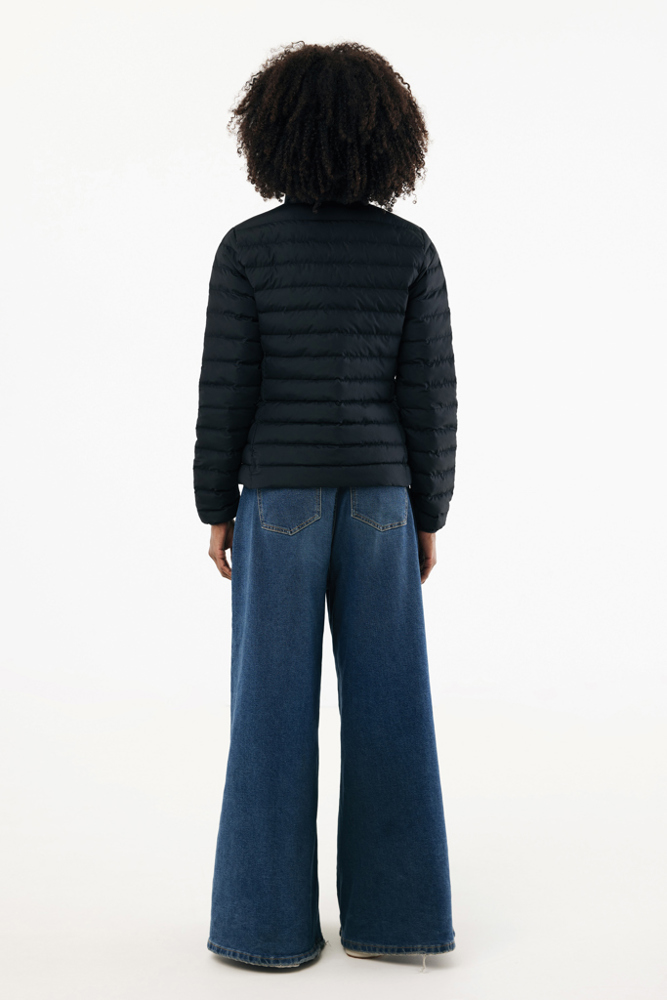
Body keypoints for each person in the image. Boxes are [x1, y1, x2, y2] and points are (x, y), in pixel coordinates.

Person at [193, 40, 457, 970]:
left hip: (276, 502)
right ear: (388, 139)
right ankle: (401, 922)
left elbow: (226, 388)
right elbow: (430, 396)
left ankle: (262, 931)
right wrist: (429, 512)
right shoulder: (409, 250)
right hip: (383, 499)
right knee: (392, 709)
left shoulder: (246, 249)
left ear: (272, 134)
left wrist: (213, 505)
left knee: (268, 712)